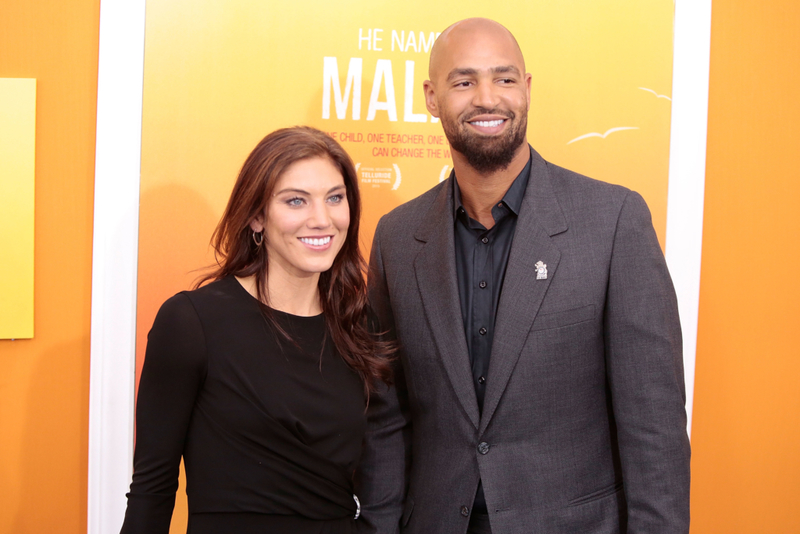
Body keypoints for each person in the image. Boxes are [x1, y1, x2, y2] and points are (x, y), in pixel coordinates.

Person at [355, 18, 691, 534]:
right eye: (464, 81)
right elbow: (387, 418)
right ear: (430, 96)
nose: (487, 98)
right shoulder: (397, 238)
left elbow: (654, 425)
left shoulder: (613, 220)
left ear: (527, 88)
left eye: (504, 79)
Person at [120, 126, 393, 534]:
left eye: (335, 198)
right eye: (296, 201)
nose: (322, 219)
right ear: (256, 216)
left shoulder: (358, 324)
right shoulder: (192, 322)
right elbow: (152, 488)